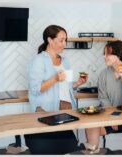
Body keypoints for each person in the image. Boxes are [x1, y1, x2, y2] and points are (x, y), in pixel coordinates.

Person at [24, 25, 87, 154]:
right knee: (50, 148)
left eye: (65, 40)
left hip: (66, 108)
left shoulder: (64, 61)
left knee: (68, 148)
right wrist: (54, 79)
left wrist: (77, 83)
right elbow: (35, 89)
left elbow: (65, 86)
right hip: (46, 110)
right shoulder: (38, 60)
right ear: (50, 40)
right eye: (61, 40)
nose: (64, 44)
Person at [84, 40, 122, 152]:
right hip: (109, 116)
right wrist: (112, 117)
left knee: (92, 127)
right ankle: (92, 153)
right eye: (104, 54)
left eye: (107, 54)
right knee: (89, 124)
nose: (104, 57)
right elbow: (103, 98)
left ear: (118, 55)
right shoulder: (103, 74)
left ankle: (91, 153)